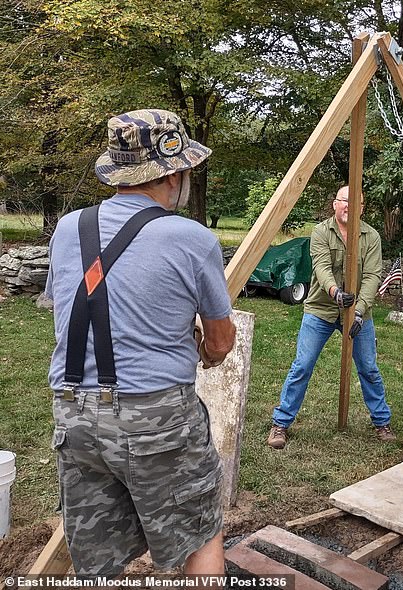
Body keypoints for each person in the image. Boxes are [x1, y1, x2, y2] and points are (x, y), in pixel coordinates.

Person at [46, 109, 236, 577]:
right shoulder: (191, 237)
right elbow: (220, 338)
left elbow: (67, 306)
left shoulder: (70, 227)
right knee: (202, 530)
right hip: (154, 417)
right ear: (175, 172)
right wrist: (208, 353)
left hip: (73, 415)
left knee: (96, 555)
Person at [267, 186, 395, 450]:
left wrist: (359, 311)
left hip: (359, 310)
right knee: (302, 365)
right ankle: (280, 423)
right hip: (321, 308)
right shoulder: (320, 232)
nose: (349, 206)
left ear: (362, 207)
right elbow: (322, 267)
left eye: (355, 202)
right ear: (334, 204)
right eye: (344, 201)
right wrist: (335, 292)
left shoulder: (371, 236)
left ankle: (382, 423)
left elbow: (372, 276)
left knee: (369, 368)